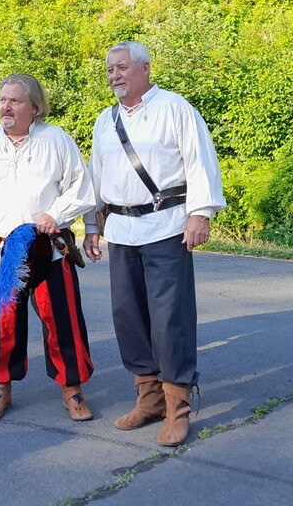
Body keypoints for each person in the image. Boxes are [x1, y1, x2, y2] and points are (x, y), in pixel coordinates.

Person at [81, 42, 225, 447]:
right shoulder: (104, 121)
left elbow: (200, 161)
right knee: (127, 314)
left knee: (170, 317)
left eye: (122, 67)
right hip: (122, 230)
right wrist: (93, 225)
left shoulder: (175, 108)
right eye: (109, 70)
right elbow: (97, 174)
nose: (114, 75)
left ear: (145, 68)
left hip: (166, 225)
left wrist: (201, 213)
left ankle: (177, 405)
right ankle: (149, 398)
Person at [0, 74, 97, 422]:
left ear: (34, 106)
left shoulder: (57, 140)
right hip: (2, 252)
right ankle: (1, 388)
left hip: (50, 248)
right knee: (2, 323)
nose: (6, 106)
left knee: (62, 320)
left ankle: (72, 389)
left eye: (14, 101)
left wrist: (56, 214)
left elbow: (81, 187)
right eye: (2, 100)